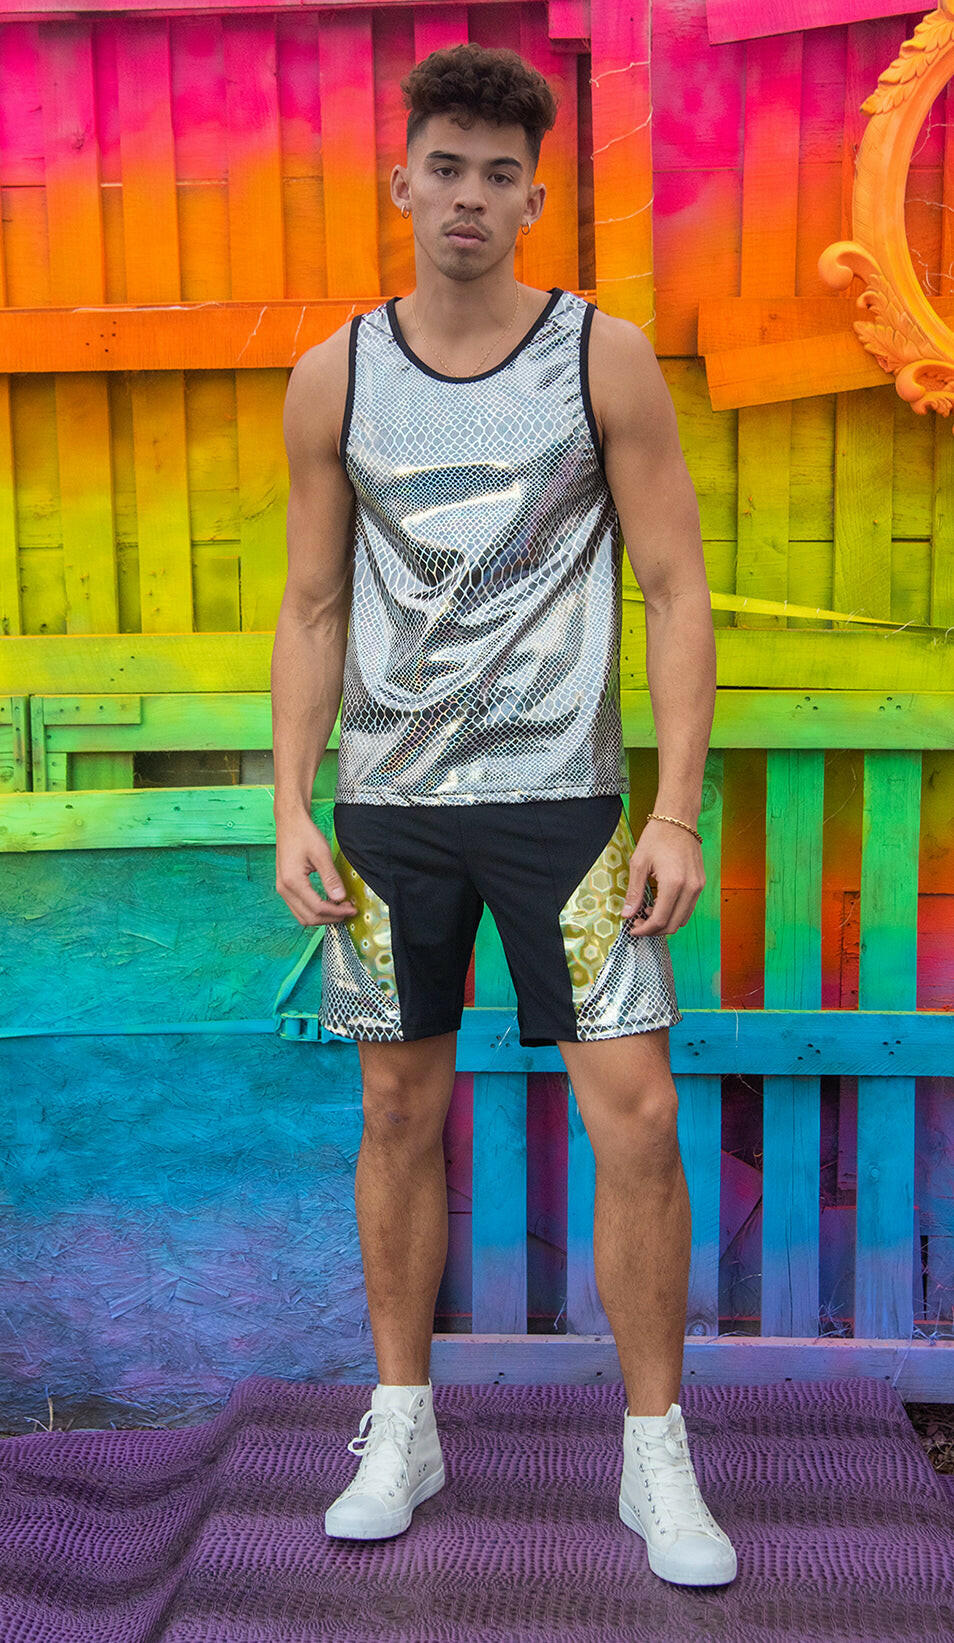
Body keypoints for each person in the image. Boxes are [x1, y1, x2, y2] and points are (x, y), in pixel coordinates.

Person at [270, 43, 735, 1588]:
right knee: (397, 1113)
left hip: (568, 809)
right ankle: (401, 1426)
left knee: (638, 1114)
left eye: (498, 174)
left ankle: (654, 1455)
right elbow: (313, 603)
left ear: (535, 200)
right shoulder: (336, 375)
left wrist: (675, 811)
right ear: (400, 182)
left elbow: (673, 588)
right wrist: (290, 805)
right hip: (392, 814)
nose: (468, 195)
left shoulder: (601, 357)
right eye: (445, 167)